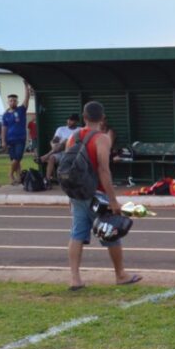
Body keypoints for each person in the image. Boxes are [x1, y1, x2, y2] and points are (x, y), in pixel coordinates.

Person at [65, 101, 141, 289]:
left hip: (77, 193)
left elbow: (67, 169)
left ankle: (75, 278)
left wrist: (70, 196)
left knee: (76, 234)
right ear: (102, 118)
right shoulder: (102, 138)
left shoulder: (72, 137)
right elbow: (104, 170)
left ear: (84, 117)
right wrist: (113, 200)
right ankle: (120, 274)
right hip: (97, 194)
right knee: (112, 232)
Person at [2, 83, 30, 185]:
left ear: (17, 101)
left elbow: (27, 99)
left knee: (17, 157)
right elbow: (4, 128)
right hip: (10, 140)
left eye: (14, 100)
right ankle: (18, 178)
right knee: (15, 160)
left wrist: (26, 87)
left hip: (20, 139)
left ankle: (10, 174)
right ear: (8, 102)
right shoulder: (5, 115)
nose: (12, 102)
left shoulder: (21, 110)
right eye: (10, 100)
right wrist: (4, 141)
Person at [41, 113, 80, 184]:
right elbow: (55, 140)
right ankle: (47, 180)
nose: (68, 121)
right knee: (52, 158)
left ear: (76, 121)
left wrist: (61, 144)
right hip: (59, 151)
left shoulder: (79, 130)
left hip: (72, 153)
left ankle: (46, 155)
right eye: (68, 120)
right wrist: (53, 145)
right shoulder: (61, 129)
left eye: (71, 120)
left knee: (65, 141)